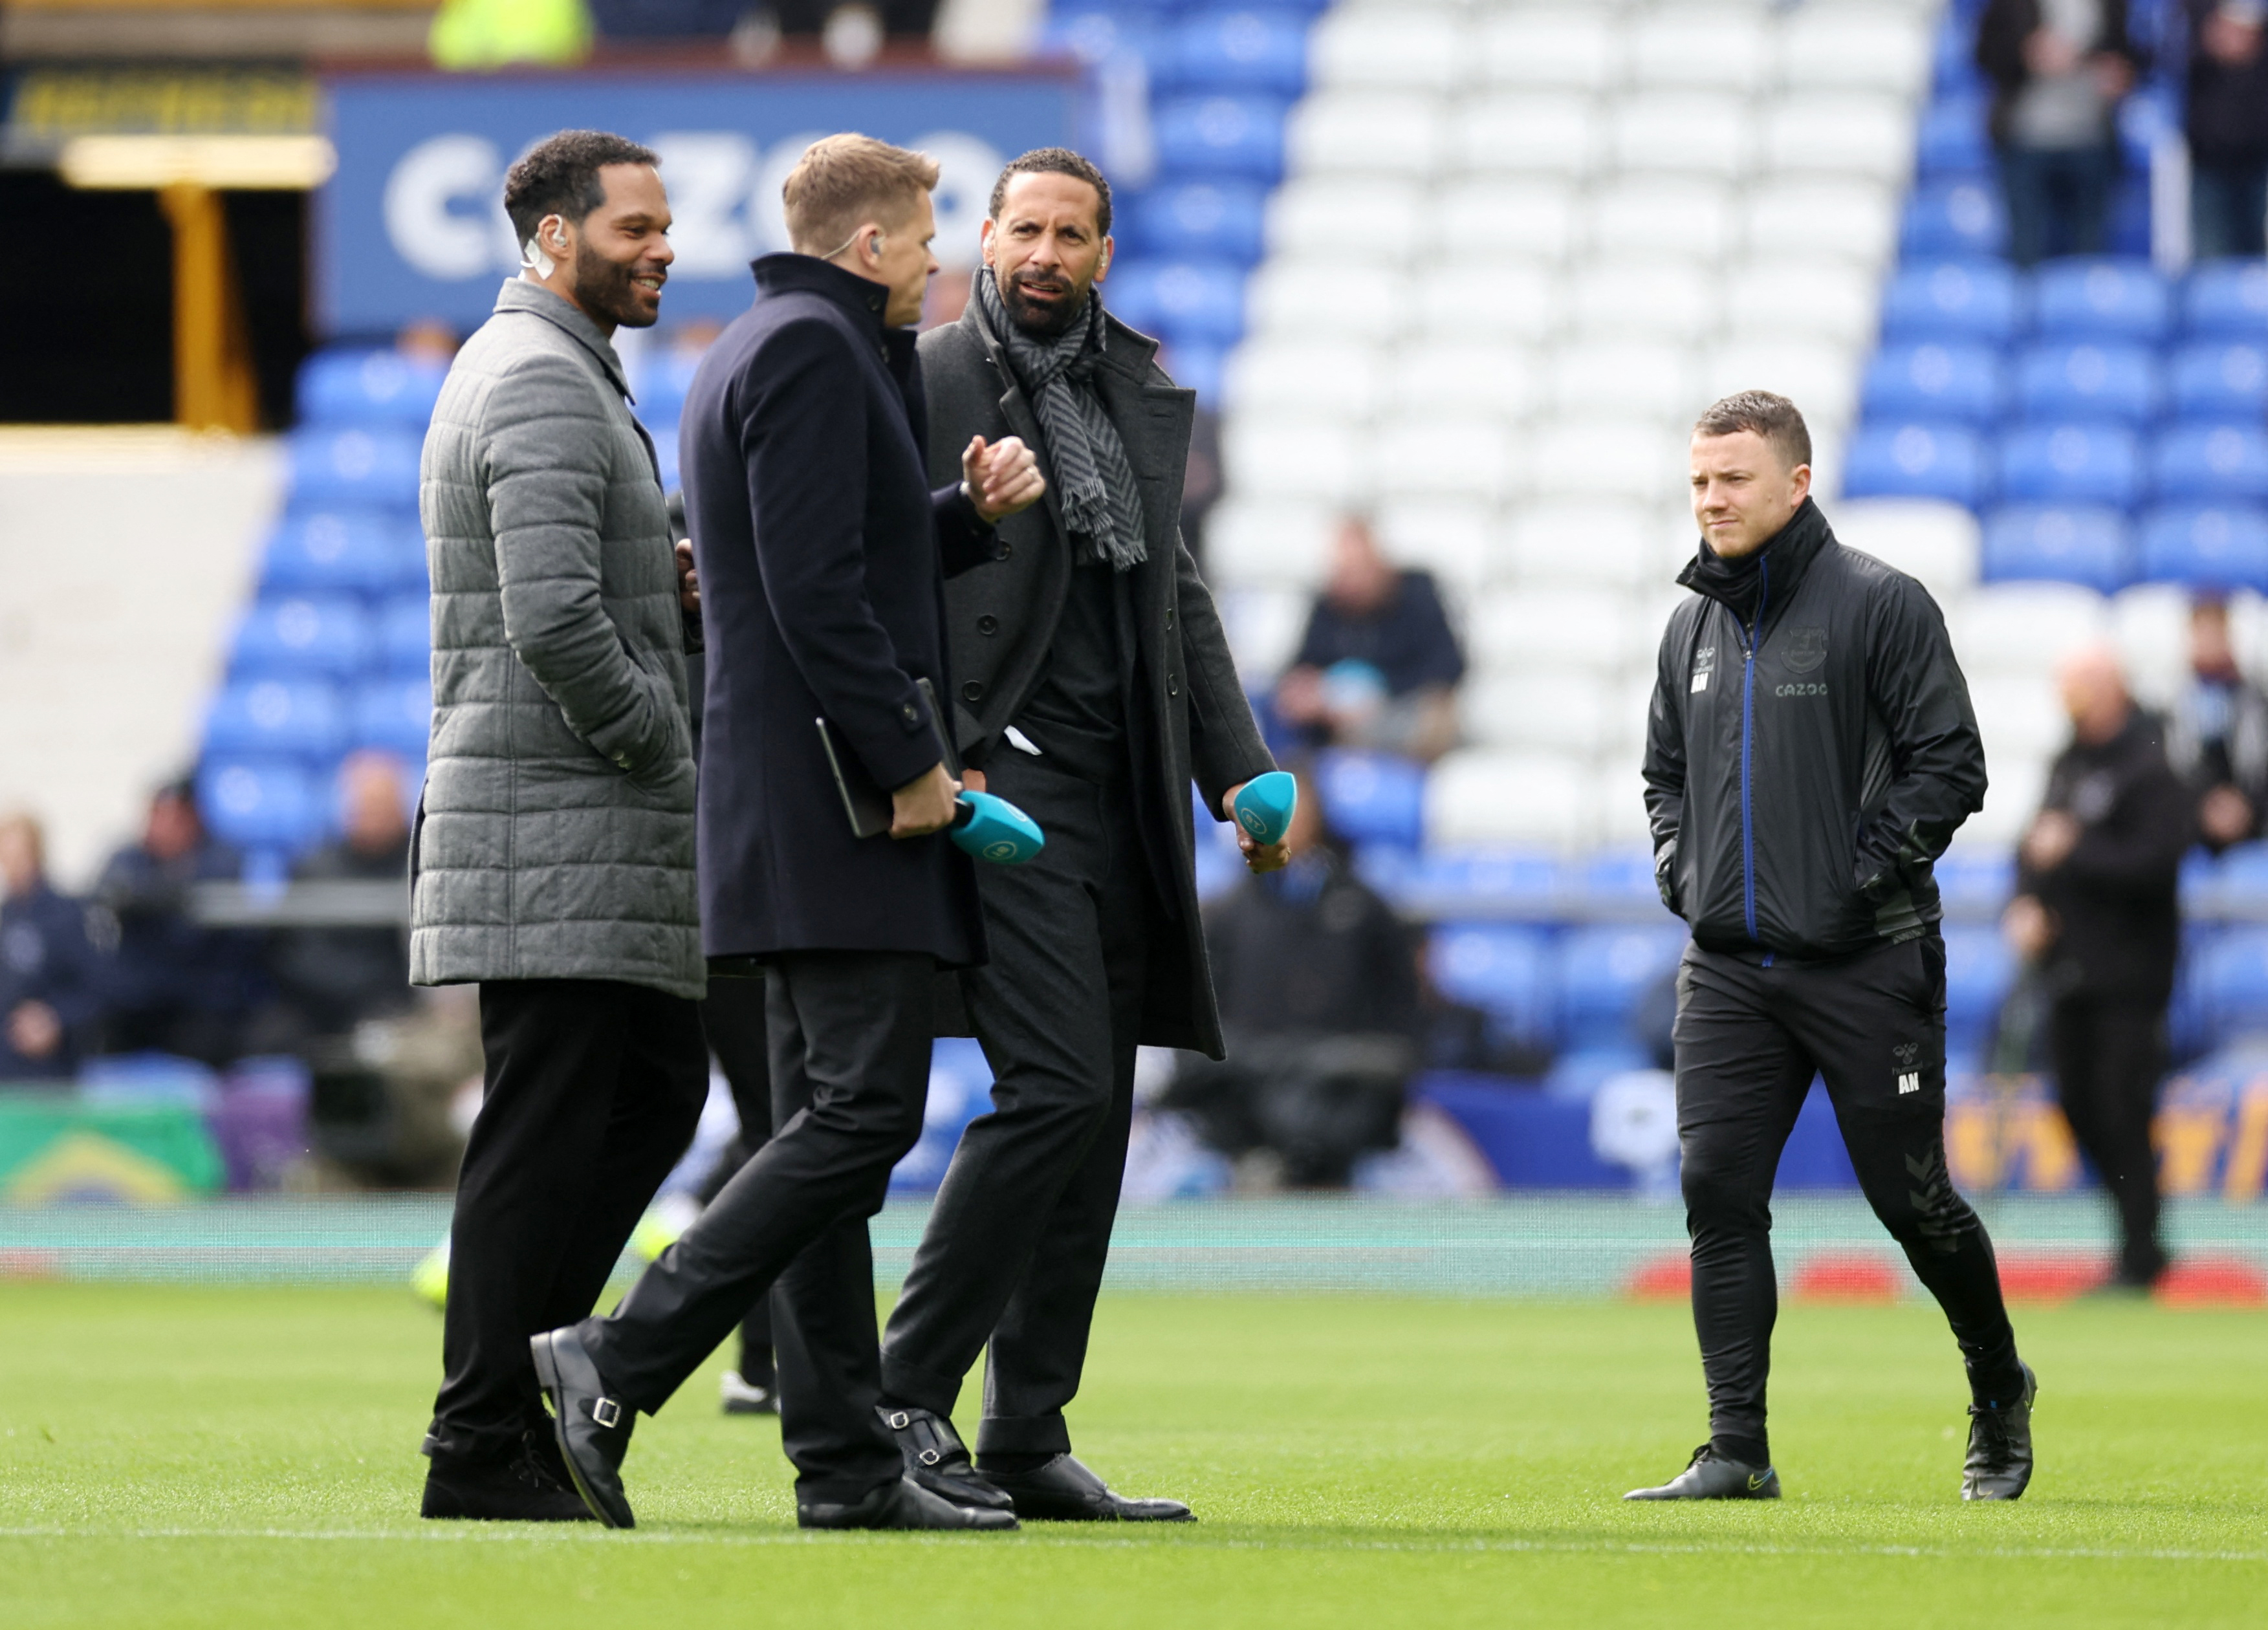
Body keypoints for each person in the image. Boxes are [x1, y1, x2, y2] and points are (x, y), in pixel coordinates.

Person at [530, 134, 1043, 1534]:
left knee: (826, 1123)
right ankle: (618, 1352)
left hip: (778, 797)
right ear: (868, 244)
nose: (938, 261)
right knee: (863, 1118)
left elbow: (798, 559)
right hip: (838, 804)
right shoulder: (817, 355)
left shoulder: (758, 344)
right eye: (926, 237)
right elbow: (816, 598)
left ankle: (844, 1466)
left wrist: (956, 520)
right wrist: (911, 766)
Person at [869, 147, 1283, 1523]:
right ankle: (904, 1397)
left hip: (1128, 794)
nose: (1044, 254)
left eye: (1071, 234)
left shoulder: (1135, 393)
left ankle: (1027, 1431)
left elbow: (1177, 596)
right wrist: (931, 753)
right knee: (1051, 1089)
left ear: (1104, 255)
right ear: (982, 240)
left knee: (1096, 1116)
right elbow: (871, 578)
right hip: (1003, 794)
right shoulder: (923, 380)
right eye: (1023, 229)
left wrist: (1241, 768)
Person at [1634, 391, 2035, 1503]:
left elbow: (1951, 765)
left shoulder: (1881, 606)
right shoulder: (1689, 629)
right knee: (1717, 1191)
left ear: (1797, 483)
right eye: (1700, 481)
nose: (1711, 499)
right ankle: (1736, 1449)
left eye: (1734, 480)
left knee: (1912, 1204)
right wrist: (1682, 872)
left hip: (1868, 962)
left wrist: (1855, 879)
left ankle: (1998, 1384)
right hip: (1728, 970)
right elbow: (1662, 779)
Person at [412, 129, 711, 1523]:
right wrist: (665, 744)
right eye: (635, 228)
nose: (662, 247)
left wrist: (667, 585)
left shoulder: (556, 369)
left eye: (664, 227)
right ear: (553, 238)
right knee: (550, 1128)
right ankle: (479, 1439)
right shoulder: (537, 378)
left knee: (653, 1092)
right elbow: (550, 622)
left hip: (574, 821)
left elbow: (580, 584)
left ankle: (515, 1403)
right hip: (559, 814)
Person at [2004, 649, 2190, 1291]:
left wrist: (2076, 849)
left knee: (2122, 1106)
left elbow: (2153, 864)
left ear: (2110, 690)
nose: (2069, 699)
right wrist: (2024, 901)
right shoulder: (2066, 762)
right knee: (2075, 1102)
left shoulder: (2149, 767)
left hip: (2129, 979)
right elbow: (2030, 845)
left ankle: (2141, 1250)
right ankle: (2134, 1239)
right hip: (2067, 973)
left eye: (2080, 686)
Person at [1168, 767, 1419, 1188]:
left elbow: (1400, 1016)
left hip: (1337, 1100)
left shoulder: (1367, 910)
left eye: (1298, 810)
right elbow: (1199, 1027)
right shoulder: (1224, 915)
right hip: (1248, 1098)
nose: (1288, 822)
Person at [89, 780, 259, 1066]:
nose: (159, 828)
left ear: (192, 820)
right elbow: (107, 892)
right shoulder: (130, 858)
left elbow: (200, 933)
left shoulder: (222, 859)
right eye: (155, 817)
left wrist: (157, 899)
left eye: (170, 818)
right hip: (144, 1000)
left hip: (200, 1001)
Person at [1273, 516, 1464, 763]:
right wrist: (1311, 693)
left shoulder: (1418, 593)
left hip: (1406, 709)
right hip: (1340, 722)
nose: (1351, 585)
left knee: (1436, 715)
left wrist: (1378, 695)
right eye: (1343, 572)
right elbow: (1302, 665)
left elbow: (1450, 666)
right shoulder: (1328, 605)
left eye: (1358, 571)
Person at [263, 752, 415, 1045]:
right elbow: (289, 952)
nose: (372, 817)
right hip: (313, 1005)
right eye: (364, 805)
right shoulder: (313, 868)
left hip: (391, 1006)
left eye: (380, 805)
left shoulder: (419, 867)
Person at [1977, 0, 2143, 265]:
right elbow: (1984, 54)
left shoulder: (2111, 5)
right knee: (2027, 251)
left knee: (2089, 251)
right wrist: (2027, 53)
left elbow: (2134, 54)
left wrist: (2119, 73)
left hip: (2092, 139)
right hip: (2026, 140)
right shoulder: (2011, 5)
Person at [0, 813, 102, 1081]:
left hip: (53, 1073)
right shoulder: (5, 917)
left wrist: (55, 1019)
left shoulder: (66, 915)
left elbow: (95, 988)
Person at [2164, 595, 2268, 851]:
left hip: (2254, 819)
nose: (2209, 643)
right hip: (2193, 823)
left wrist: (2246, 808)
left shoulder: (2256, 702)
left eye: (2216, 633)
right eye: (2201, 634)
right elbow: (2173, 772)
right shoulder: (2174, 706)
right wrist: (2206, 807)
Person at [2183, 1, 2268, 259]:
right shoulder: (2195, 20)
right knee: (2212, 262)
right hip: (2209, 158)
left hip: (2258, 157)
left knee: (2254, 266)